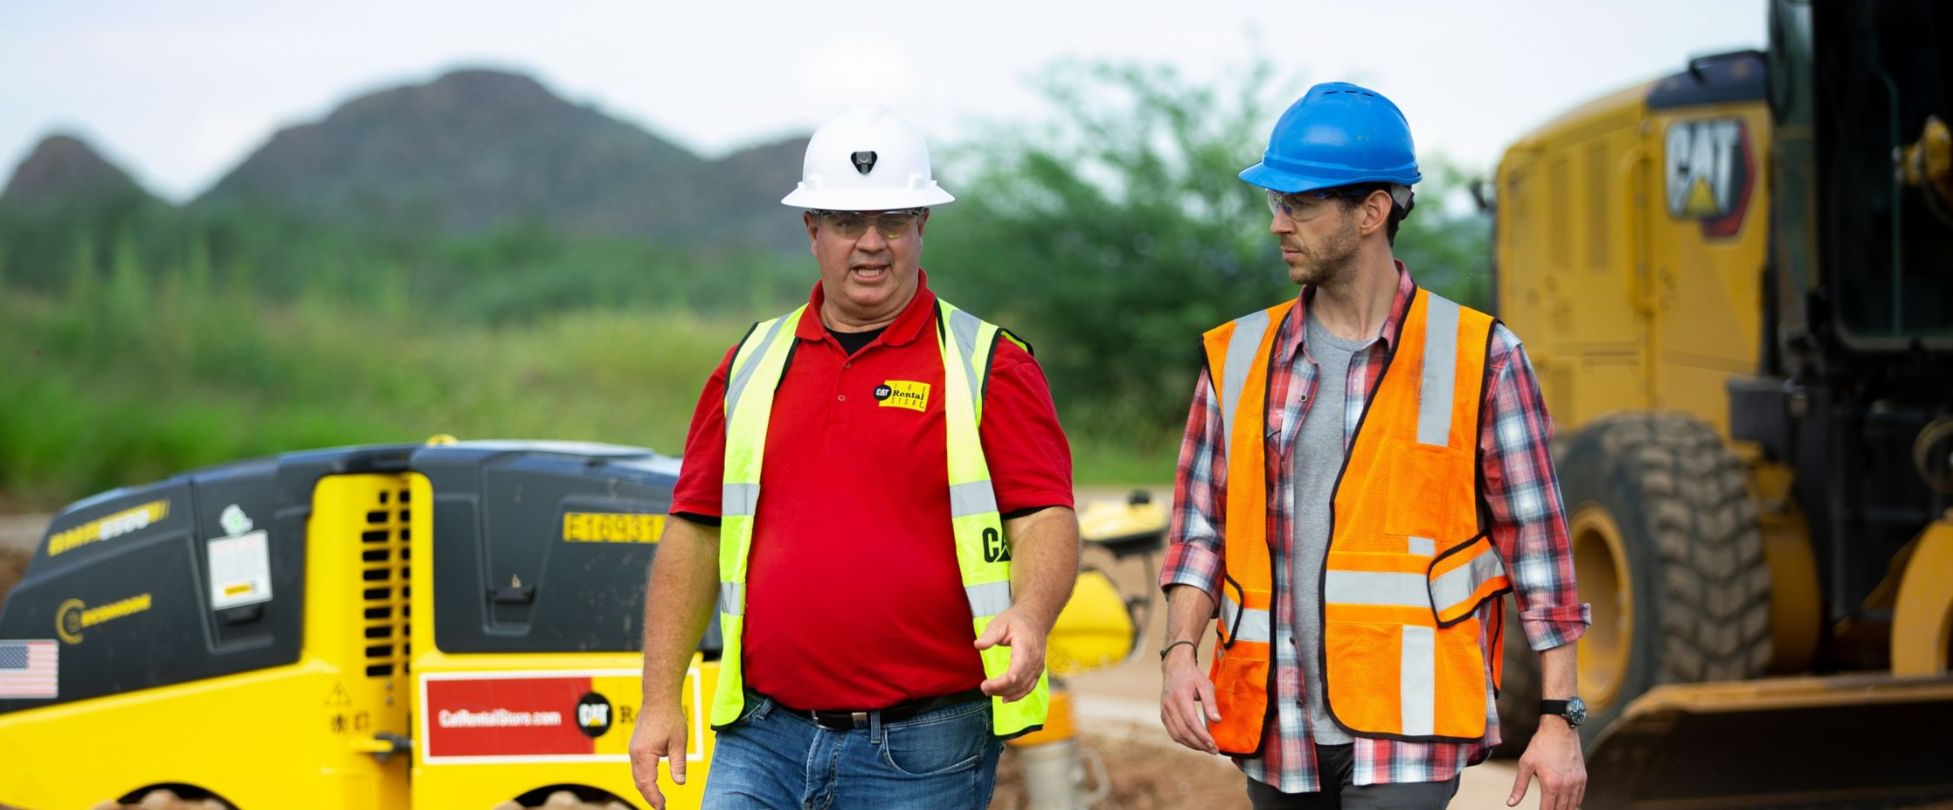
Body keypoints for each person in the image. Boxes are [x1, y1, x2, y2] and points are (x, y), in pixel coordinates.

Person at [1155, 82, 1592, 810]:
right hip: (1273, 725)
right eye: (1275, 203)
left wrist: (1557, 718)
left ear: (1371, 211)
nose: (1277, 225)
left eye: (1297, 204)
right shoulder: (1236, 356)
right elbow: (1199, 528)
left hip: (1411, 730)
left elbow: (1538, 548)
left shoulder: (1479, 355)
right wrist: (1177, 656)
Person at [628, 106, 1079, 810]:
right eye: (846, 222)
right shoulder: (748, 364)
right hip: (759, 736)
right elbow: (694, 531)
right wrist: (659, 700)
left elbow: (1043, 517)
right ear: (812, 230)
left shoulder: (989, 363)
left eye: (893, 221)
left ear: (920, 227)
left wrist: (1030, 614)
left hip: (923, 746)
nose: (871, 244)